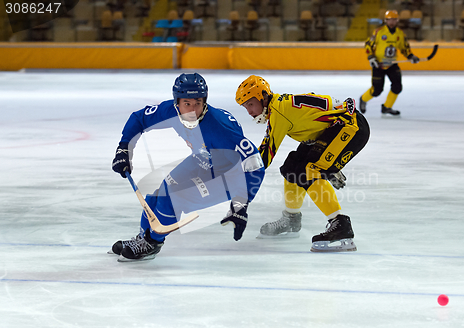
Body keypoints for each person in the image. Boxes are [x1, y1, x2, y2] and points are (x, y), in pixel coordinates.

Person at [111, 73, 265, 262]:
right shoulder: (170, 110)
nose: (193, 110)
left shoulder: (220, 127)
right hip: (203, 160)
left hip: (229, 176)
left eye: (198, 103)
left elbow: (255, 164)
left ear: (204, 102)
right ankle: (143, 239)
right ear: (177, 103)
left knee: (175, 199)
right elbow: (139, 118)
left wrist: (240, 205)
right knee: (160, 194)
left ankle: (152, 243)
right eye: (187, 104)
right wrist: (124, 149)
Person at [235, 75, 370, 252]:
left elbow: (265, 155)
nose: (249, 111)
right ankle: (291, 219)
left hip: (350, 127)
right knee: (292, 166)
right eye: (245, 107)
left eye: (250, 104)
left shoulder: (278, 112)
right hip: (334, 128)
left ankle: (340, 225)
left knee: (309, 170)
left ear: (263, 96)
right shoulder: (278, 106)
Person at [359, 10, 419, 117]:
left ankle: (387, 107)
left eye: (394, 19)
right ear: (385, 20)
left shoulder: (400, 34)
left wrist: (411, 56)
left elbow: (404, 47)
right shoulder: (378, 32)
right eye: (389, 19)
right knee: (377, 90)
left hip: (392, 64)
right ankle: (363, 99)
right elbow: (368, 45)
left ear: (397, 20)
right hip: (378, 64)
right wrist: (371, 57)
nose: (391, 22)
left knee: (397, 87)